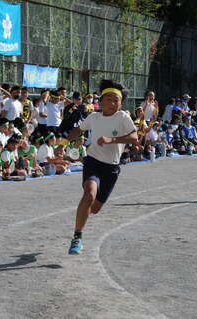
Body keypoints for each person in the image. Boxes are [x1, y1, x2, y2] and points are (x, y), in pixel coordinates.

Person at [65, 79, 140, 255]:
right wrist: (62, 142)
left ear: (121, 103)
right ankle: (77, 236)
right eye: (109, 99)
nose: (113, 103)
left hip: (112, 169)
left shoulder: (123, 117)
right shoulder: (94, 117)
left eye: (116, 100)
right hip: (93, 162)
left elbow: (135, 138)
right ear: (101, 100)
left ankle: (82, 213)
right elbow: (78, 130)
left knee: (95, 208)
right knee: (89, 194)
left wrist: (112, 140)